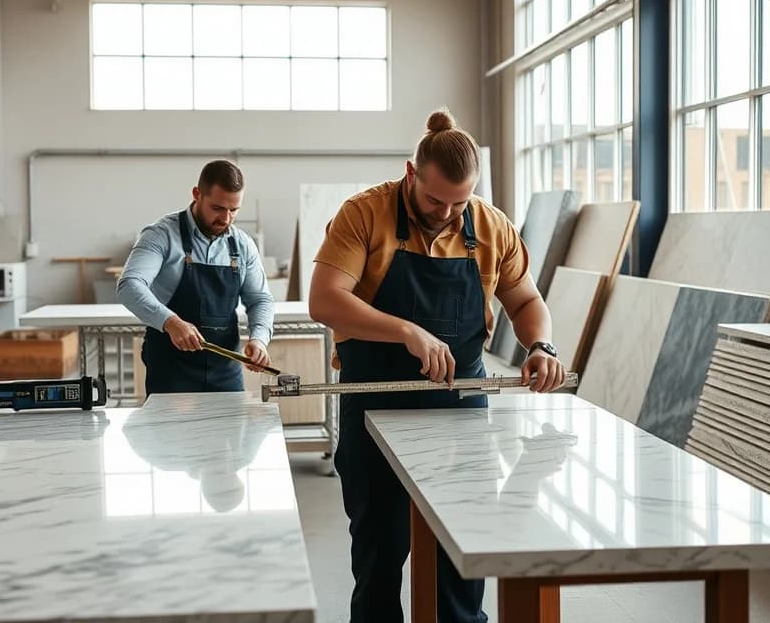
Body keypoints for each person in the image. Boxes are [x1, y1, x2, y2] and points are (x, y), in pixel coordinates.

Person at [309, 108, 568, 623]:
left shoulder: (492, 226)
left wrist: (541, 346)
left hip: (458, 410)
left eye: (460, 201)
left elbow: (525, 300)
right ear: (411, 173)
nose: (448, 212)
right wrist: (405, 329)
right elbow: (325, 300)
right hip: (373, 404)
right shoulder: (364, 214)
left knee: (459, 555)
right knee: (381, 552)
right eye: (435, 199)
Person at [118, 160, 274, 394]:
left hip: (225, 371)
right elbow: (129, 286)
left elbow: (260, 299)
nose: (226, 219)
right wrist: (171, 322)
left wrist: (259, 339)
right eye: (218, 208)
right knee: (172, 431)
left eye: (234, 210)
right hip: (171, 369)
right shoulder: (161, 235)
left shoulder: (243, 245)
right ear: (197, 194)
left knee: (230, 430)